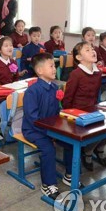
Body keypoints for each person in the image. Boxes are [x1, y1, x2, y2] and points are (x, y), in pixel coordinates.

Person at [22, 53, 80, 199]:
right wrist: (49, 131)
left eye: (54, 66)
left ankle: (69, 175)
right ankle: (48, 184)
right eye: (51, 66)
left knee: (71, 142)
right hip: (34, 130)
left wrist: (63, 122)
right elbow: (32, 117)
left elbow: (56, 110)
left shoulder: (54, 87)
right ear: (40, 71)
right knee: (48, 149)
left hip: (51, 127)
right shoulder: (32, 91)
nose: (55, 69)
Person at [62, 42, 106, 171]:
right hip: (76, 114)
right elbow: (67, 99)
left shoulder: (97, 72)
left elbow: (95, 96)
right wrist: (71, 117)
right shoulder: (76, 74)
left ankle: (98, 148)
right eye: (87, 50)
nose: (92, 51)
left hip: (91, 110)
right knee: (94, 128)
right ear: (79, 58)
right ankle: (87, 152)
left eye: (92, 49)